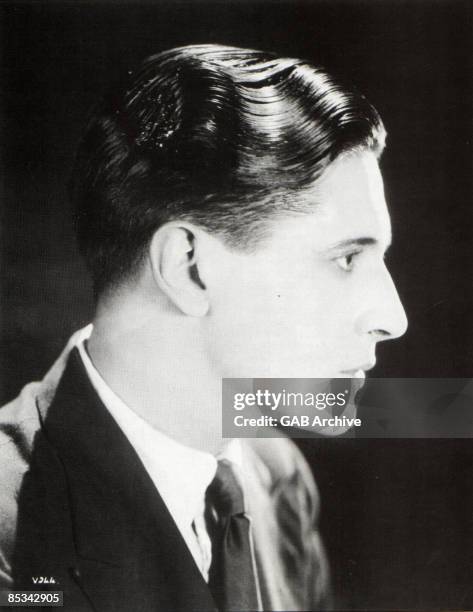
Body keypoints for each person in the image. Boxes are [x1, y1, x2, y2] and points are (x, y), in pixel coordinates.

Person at [0, 44, 407, 611]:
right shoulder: (8, 537)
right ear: (188, 268)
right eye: (345, 259)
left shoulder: (275, 475)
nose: (393, 317)